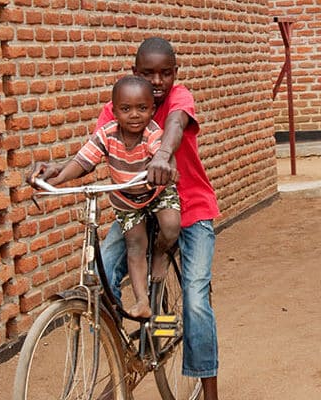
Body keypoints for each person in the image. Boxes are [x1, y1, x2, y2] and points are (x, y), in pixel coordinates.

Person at [36, 37, 221, 399]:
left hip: (189, 206)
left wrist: (163, 156)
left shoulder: (178, 98)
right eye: (148, 73)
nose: (157, 81)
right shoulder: (120, 104)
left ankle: (210, 391)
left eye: (165, 73)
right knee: (101, 281)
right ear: (134, 72)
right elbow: (90, 152)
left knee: (196, 301)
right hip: (135, 206)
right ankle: (122, 371)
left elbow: (176, 126)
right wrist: (54, 174)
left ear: (175, 74)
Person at [31, 75, 181, 319]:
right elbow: (83, 160)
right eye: (126, 109)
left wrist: (165, 168)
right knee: (134, 246)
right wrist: (55, 181)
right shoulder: (106, 134)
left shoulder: (152, 134)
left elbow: (165, 157)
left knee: (172, 226)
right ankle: (142, 301)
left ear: (152, 110)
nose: (134, 115)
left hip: (156, 193)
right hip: (127, 201)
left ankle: (163, 252)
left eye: (142, 108)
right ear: (114, 111)